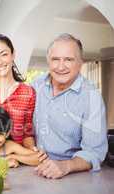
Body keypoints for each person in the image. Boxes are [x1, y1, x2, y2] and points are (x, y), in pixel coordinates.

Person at [32, 33, 108, 179]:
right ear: (48, 61)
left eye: (68, 59)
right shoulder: (36, 85)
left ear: (80, 63)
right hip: (33, 168)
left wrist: (66, 166)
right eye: (55, 59)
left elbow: (94, 153)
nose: (61, 66)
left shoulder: (91, 97)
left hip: (71, 175)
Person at [0, 34, 36, 149]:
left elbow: (27, 133)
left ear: (13, 54)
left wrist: (33, 151)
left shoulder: (28, 93)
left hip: (18, 161)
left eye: (4, 54)